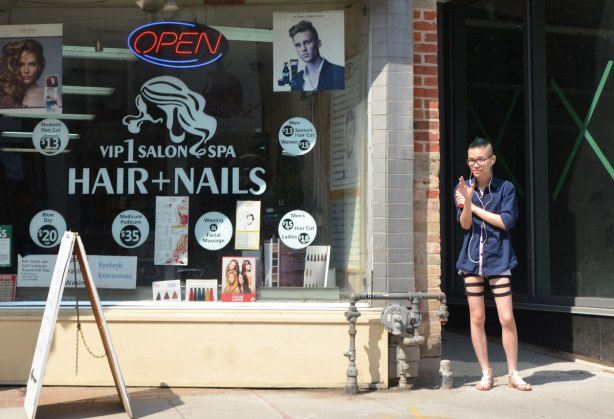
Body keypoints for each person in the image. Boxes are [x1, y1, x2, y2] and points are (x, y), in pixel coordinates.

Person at [454, 137, 532, 392]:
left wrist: (473, 206)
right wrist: (466, 202)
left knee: (506, 317)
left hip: (499, 258)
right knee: (477, 317)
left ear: (492, 160)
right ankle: (486, 372)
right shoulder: (465, 188)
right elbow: (465, 225)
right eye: (471, 160)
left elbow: (505, 221)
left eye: (480, 159)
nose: (475, 164)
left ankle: (513, 372)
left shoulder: (505, 189)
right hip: (471, 260)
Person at [288, 20, 345, 92]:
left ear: (318, 43)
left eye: (307, 42)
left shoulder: (341, 73)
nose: (303, 49)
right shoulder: (295, 80)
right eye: (298, 45)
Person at [0, 38, 46, 109]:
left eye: (32, 64)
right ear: (13, 66)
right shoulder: (4, 94)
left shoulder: (51, 97)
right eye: (20, 65)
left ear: (39, 67)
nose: (26, 70)